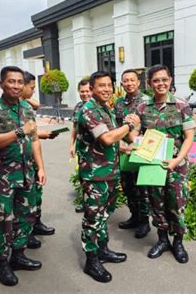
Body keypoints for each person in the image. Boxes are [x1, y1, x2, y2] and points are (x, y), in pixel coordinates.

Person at [0, 66, 46, 286]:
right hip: (3, 177)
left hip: (27, 173)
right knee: (3, 220)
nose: (16, 86)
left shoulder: (27, 109)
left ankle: (18, 255)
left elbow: (34, 140)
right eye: (11, 81)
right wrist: (20, 131)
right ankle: (1, 263)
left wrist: (41, 168)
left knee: (26, 216)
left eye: (20, 82)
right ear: (1, 84)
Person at [76, 71, 140, 283]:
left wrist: (125, 147)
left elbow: (114, 141)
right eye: (101, 86)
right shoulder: (89, 110)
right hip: (95, 176)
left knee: (104, 215)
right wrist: (129, 125)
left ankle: (103, 249)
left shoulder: (106, 109)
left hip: (110, 174)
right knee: (93, 218)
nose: (106, 89)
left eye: (109, 85)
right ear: (92, 89)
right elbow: (106, 138)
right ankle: (91, 260)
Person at [128, 65, 196, 264]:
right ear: (149, 84)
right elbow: (135, 135)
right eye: (156, 80)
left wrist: (177, 159)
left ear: (170, 80)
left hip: (177, 165)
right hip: (153, 165)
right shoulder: (142, 108)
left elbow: (189, 136)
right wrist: (131, 128)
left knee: (177, 203)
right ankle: (162, 240)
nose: (161, 84)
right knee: (156, 202)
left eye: (164, 80)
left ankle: (178, 242)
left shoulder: (181, 106)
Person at [21, 71, 57, 250]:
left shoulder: (25, 105)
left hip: (30, 159)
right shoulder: (3, 107)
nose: (33, 91)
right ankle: (25, 233)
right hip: (16, 163)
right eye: (32, 88)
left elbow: (32, 136)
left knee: (35, 194)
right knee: (23, 201)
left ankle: (35, 223)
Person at [114, 69, 150, 239]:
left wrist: (138, 143)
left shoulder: (146, 102)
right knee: (127, 186)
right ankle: (134, 216)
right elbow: (116, 126)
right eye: (125, 81)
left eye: (132, 80)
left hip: (141, 150)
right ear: (121, 84)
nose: (129, 84)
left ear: (138, 83)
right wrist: (120, 143)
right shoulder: (119, 103)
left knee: (141, 188)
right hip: (124, 151)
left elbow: (151, 128)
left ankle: (144, 222)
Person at [69, 79, 93, 213]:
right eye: (82, 91)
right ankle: (85, 202)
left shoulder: (98, 106)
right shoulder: (78, 107)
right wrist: (71, 145)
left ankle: (95, 204)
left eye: (88, 91)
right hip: (82, 148)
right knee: (83, 176)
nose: (85, 94)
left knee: (94, 177)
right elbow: (74, 127)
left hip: (96, 150)